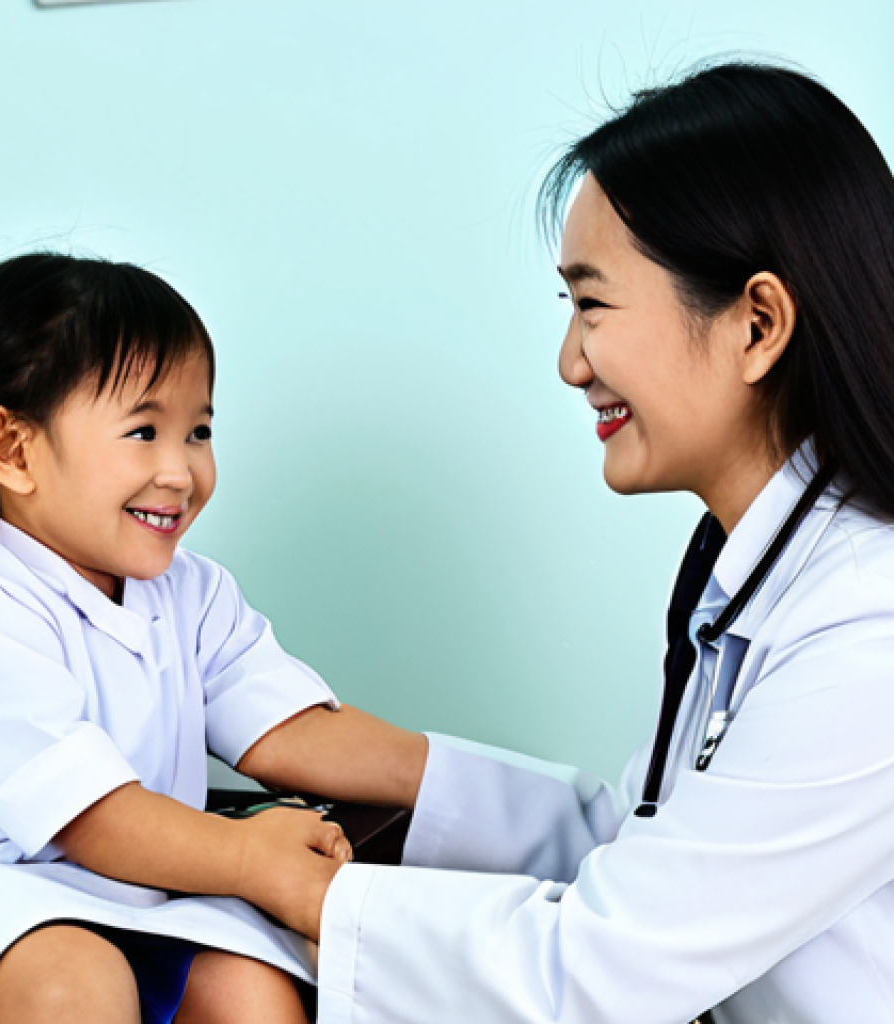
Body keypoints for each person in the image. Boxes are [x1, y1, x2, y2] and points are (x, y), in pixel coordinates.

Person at [267, 61, 894, 1023]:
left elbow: (607, 963)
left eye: (591, 304)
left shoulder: (866, 625)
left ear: (757, 325)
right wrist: (393, 766)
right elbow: (652, 844)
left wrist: (293, 888)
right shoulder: (754, 571)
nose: (570, 363)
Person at [0, 253, 427, 1024]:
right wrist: (252, 856)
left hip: (144, 893)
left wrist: (464, 786)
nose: (180, 471)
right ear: (13, 450)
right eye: (144, 431)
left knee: (249, 990)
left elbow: (286, 728)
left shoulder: (193, 591)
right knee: (74, 979)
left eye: (198, 431)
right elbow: (90, 817)